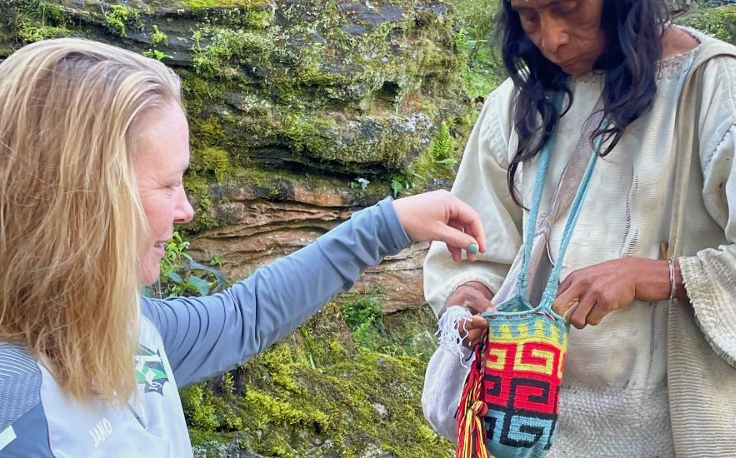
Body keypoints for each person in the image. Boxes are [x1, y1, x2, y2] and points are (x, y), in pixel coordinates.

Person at [423, 0, 736, 456]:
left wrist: (652, 276)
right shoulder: (517, 103)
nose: (550, 38)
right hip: (544, 426)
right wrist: (469, 293)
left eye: (569, 7)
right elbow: (476, 240)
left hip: (684, 425)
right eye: (529, 17)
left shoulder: (713, 90)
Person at [0, 38, 486, 456]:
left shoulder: (118, 325)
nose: (186, 209)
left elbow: (243, 318)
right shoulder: (16, 408)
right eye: (168, 185)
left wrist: (390, 223)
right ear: (84, 197)